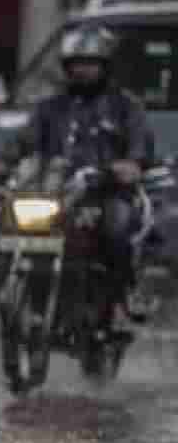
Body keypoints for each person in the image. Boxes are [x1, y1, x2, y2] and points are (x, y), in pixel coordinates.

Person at [10, 24, 156, 323]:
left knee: (117, 230)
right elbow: (25, 142)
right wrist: (2, 161)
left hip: (107, 193)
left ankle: (126, 294)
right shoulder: (50, 108)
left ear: (105, 66)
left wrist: (131, 165)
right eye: (76, 63)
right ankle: (18, 289)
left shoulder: (125, 107)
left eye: (90, 63)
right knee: (15, 228)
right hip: (57, 193)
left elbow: (140, 146)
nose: (82, 70)